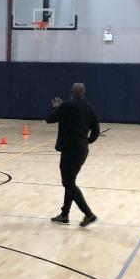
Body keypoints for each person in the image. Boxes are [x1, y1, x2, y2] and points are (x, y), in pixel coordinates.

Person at [46, 82, 101, 227]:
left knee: (68, 182)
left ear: (71, 92)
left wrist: (55, 107)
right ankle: (65, 215)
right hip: (82, 150)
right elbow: (96, 132)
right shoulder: (90, 109)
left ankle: (88, 214)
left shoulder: (65, 106)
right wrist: (86, 142)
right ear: (84, 93)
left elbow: (49, 119)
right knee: (70, 182)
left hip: (69, 150)